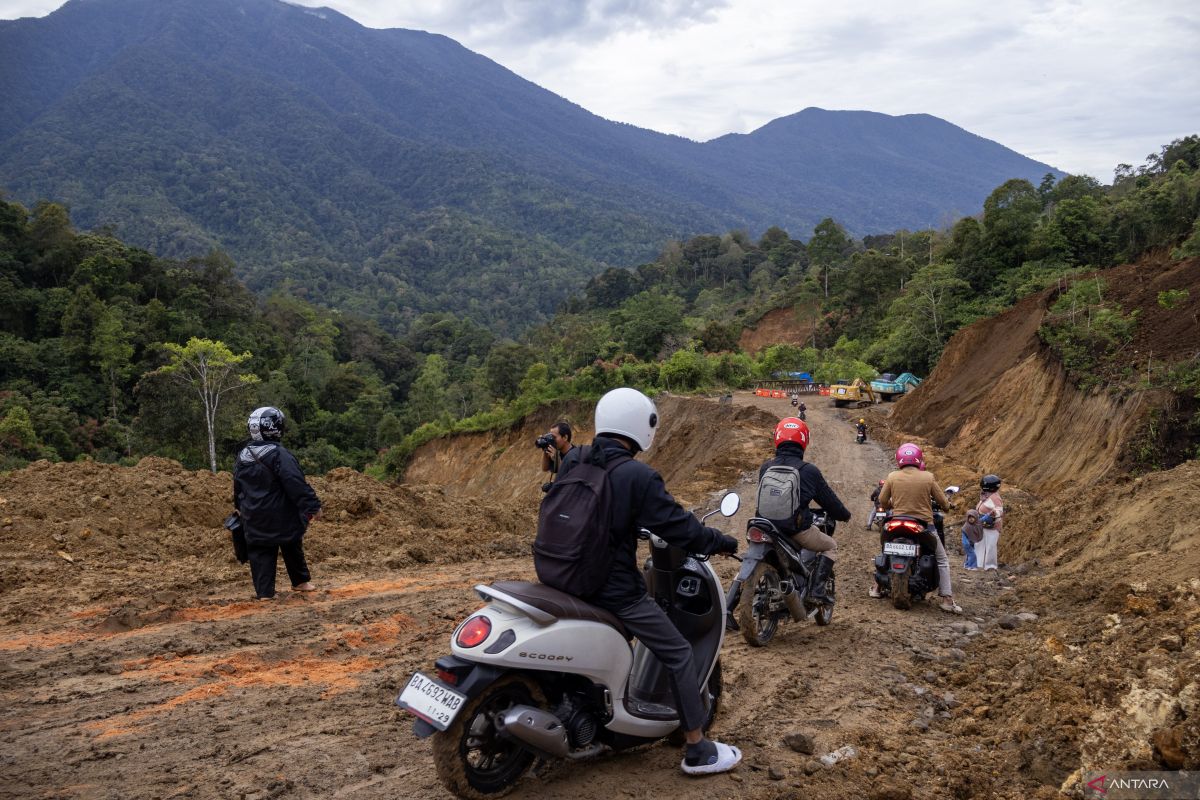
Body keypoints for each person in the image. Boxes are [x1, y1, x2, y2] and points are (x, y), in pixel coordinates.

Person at [558, 388, 741, 776]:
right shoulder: (637, 475)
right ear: (643, 428)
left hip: (559, 575)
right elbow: (680, 528)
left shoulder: (574, 459)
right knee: (678, 652)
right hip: (609, 588)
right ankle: (697, 748)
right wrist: (721, 541)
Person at [755, 417, 851, 605]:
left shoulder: (766, 467)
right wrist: (845, 515)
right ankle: (816, 592)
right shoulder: (809, 471)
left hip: (764, 527)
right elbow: (830, 502)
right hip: (794, 531)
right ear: (804, 440)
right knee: (830, 546)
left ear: (777, 437)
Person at [232, 407, 322, 600]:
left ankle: (264, 593)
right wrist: (313, 506)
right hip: (282, 516)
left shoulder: (243, 455)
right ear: (276, 428)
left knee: (260, 551)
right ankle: (301, 582)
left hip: (253, 516)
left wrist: (239, 509)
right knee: (292, 542)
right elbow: (295, 483)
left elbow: (238, 487)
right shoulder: (280, 454)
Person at [875, 443, 962, 614]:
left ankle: (876, 587)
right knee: (942, 559)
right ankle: (947, 599)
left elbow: (883, 501)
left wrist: (892, 504)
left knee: (885, 552)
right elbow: (943, 502)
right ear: (918, 458)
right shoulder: (928, 477)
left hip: (896, 523)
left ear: (899, 459)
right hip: (923, 525)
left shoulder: (892, 476)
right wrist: (947, 506)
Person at [974, 474, 1004, 571]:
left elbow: (999, 510)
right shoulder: (985, 495)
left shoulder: (995, 497)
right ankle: (978, 564)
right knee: (979, 544)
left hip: (992, 527)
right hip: (982, 524)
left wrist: (993, 514)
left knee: (990, 546)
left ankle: (990, 566)